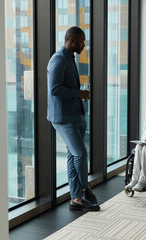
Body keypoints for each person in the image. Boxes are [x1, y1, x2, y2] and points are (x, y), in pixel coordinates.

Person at [47, 26, 99, 211]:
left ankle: (76, 199)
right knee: (80, 154)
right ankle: (85, 189)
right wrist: (79, 93)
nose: (84, 44)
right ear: (72, 40)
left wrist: (80, 96)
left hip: (75, 115)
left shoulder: (69, 58)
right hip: (63, 118)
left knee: (72, 155)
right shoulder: (58, 60)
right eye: (82, 41)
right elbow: (54, 89)